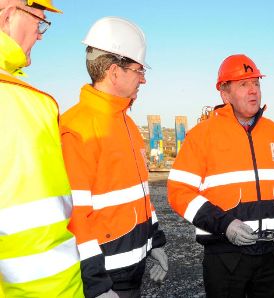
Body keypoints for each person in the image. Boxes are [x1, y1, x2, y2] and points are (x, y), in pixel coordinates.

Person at [167, 54, 274, 297]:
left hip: (271, 254)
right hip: (225, 257)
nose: (253, 91)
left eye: (256, 83)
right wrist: (225, 225)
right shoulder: (202, 136)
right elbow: (179, 192)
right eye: (244, 84)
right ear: (225, 94)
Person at [60, 17, 168, 298]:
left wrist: (154, 242)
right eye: (138, 69)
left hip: (133, 271)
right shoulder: (78, 128)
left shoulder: (127, 124)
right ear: (113, 71)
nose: (143, 78)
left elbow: (139, 194)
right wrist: (96, 285)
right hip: (107, 280)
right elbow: (74, 217)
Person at [0, 0, 84, 297]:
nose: (40, 34)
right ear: (10, 16)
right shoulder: (20, 103)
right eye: (39, 22)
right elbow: (38, 243)